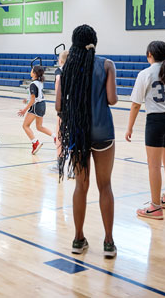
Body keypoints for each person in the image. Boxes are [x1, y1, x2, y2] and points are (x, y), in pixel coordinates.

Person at [56, 24, 118, 258]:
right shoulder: (107, 64)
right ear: (95, 41)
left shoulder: (67, 67)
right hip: (103, 130)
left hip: (78, 133)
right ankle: (109, 243)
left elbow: (59, 106)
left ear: (73, 43)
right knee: (106, 186)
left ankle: (78, 239)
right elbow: (112, 99)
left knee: (81, 186)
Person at [125, 41, 165, 219]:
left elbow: (136, 104)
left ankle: (154, 207)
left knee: (154, 165)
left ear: (149, 55)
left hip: (156, 121)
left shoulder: (145, 74)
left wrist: (129, 127)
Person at [18, 65, 56, 155]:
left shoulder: (32, 84)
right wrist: (27, 100)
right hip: (42, 104)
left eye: (31, 70)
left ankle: (35, 142)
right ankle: (55, 137)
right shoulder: (39, 82)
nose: (30, 71)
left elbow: (33, 100)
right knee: (39, 127)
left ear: (34, 73)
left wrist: (24, 110)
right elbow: (36, 96)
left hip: (36, 106)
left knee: (25, 126)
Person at [49, 50, 69, 173]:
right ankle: (74, 167)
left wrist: (58, 101)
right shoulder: (77, 70)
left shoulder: (59, 71)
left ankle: (60, 164)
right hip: (75, 106)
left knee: (60, 135)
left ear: (60, 60)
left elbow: (58, 81)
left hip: (64, 106)